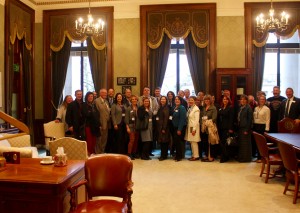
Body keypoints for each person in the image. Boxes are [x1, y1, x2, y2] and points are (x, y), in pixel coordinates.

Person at [253, 95, 270, 162]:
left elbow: (268, 119)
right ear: (258, 100)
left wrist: (267, 129)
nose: (262, 100)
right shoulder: (256, 108)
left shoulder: (267, 109)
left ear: (265, 101)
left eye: (263, 99)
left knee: (261, 143)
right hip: (255, 126)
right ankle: (258, 157)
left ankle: (262, 158)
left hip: (262, 127)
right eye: (260, 99)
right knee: (256, 142)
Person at [201, 94, 218, 162]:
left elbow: (214, 118)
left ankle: (211, 156)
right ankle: (206, 155)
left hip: (211, 127)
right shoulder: (203, 108)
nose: (206, 101)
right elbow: (201, 117)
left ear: (210, 100)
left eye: (208, 99)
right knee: (205, 142)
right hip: (204, 127)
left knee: (211, 142)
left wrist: (207, 121)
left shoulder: (213, 108)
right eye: (205, 99)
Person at [217, 95, 234, 163]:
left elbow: (231, 119)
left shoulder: (230, 108)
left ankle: (225, 157)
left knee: (225, 142)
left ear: (228, 100)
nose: (225, 100)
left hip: (226, 128)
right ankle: (224, 155)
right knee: (221, 142)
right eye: (224, 99)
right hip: (220, 127)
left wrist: (230, 128)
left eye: (226, 99)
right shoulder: (221, 107)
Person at [237, 94, 253, 162]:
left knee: (246, 144)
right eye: (241, 99)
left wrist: (247, 129)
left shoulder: (248, 108)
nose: (242, 100)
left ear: (247, 101)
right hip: (240, 128)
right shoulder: (241, 107)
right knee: (241, 144)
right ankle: (241, 157)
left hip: (245, 128)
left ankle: (246, 158)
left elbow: (250, 120)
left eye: (244, 99)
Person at [185, 96, 201, 161]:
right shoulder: (190, 108)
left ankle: (196, 156)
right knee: (191, 141)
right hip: (190, 127)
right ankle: (193, 155)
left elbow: (197, 121)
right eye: (189, 100)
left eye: (192, 100)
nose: (190, 101)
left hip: (194, 127)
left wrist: (194, 129)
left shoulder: (196, 109)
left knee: (194, 142)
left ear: (195, 101)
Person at [94, 88, 110, 154]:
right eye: (103, 93)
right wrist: (99, 124)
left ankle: (102, 151)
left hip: (106, 123)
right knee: (99, 139)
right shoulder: (96, 101)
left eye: (106, 93)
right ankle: (98, 153)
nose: (105, 94)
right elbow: (96, 114)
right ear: (100, 93)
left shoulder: (106, 101)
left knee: (104, 139)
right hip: (100, 123)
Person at [171, 96, 187, 161]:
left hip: (179, 128)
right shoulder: (175, 107)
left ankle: (179, 157)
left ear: (181, 100)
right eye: (175, 99)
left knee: (178, 143)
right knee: (176, 142)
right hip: (175, 127)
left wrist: (179, 129)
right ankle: (177, 155)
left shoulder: (182, 108)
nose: (176, 100)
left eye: (178, 99)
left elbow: (182, 119)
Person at [125, 95, 139, 160]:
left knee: (136, 141)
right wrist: (127, 127)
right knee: (131, 140)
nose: (134, 100)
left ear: (137, 100)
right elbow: (126, 119)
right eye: (133, 99)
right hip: (131, 126)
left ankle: (134, 153)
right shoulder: (128, 108)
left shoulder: (138, 108)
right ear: (131, 100)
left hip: (137, 127)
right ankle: (129, 153)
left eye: (135, 99)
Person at [156, 96, 170, 161]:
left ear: (166, 100)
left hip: (164, 127)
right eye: (162, 99)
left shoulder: (166, 108)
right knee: (162, 142)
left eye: (164, 99)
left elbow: (166, 119)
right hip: (160, 127)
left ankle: (163, 156)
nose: (163, 100)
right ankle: (163, 154)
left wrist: (164, 128)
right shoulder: (161, 107)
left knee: (164, 142)